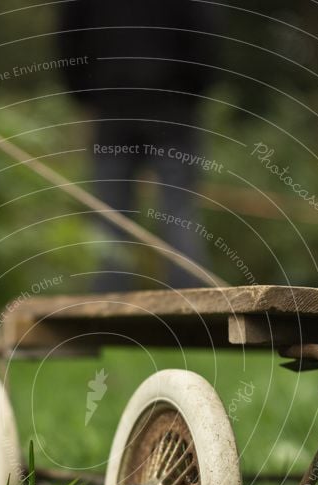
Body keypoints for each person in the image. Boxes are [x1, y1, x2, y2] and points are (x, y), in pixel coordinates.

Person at [58, 0, 220, 291]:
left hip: (113, 111)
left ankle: (106, 316)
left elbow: (67, 39)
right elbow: (206, 37)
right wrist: (190, 93)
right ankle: (196, 311)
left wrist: (88, 95)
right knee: (178, 213)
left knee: (110, 220)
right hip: (172, 113)